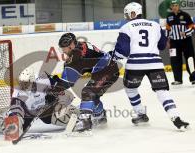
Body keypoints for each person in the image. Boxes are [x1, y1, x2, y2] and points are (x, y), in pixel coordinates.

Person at [113, 2, 189, 130]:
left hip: (135, 65)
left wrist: (114, 56)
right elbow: (162, 46)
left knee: (130, 89)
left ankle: (141, 114)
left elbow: (123, 51)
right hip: (155, 64)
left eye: (128, 14)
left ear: (133, 13)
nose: (126, 17)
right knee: (162, 91)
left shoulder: (126, 27)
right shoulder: (156, 25)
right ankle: (175, 116)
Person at [55, 32, 119, 131]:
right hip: (105, 69)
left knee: (88, 92)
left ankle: (85, 122)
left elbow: (69, 82)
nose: (63, 51)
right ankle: (100, 116)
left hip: (108, 70)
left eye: (65, 48)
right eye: (61, 48)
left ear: (72, 45)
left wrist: (54, 87)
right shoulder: (79, 47)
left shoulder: (76, 55)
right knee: (93, 95)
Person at [0, 68, 78, 140]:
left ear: (33, 81)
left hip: (45, 108)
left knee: (60, 115)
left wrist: (59, 100)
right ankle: (1, 122)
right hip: (28, 112)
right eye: (22, 83)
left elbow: (63, 90)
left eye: (26, 83)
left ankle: (77, 116)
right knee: (17, 126)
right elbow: (16, 108)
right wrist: (13, 118)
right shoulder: (18, 92)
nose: (23, 85)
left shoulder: (43, 80)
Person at [165, 0, 195, 85]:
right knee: (174, 60)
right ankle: (178, 79)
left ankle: (193, 78)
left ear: (179, 6)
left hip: (186, 41)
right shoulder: (169, 16)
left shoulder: (186, 15)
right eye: (173, 5)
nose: (174, 7)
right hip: (174, 42)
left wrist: (185, 33)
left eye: (176, 5)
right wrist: (167, 40)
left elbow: (192, 27)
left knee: (190, 59)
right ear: (171, 7)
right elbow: (167, 29)